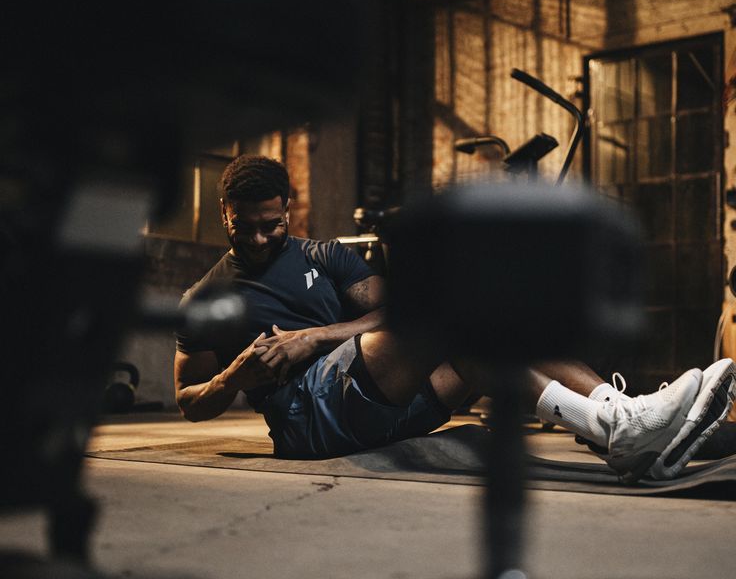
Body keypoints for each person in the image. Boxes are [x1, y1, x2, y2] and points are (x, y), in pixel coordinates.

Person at [174, 155, 736, 484]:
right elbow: (188, 401)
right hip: (306, 421)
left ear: (287, 210)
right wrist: (234, 377)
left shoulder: (324, 257)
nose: (257, 237)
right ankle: (627, 431)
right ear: (225, 214)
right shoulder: (204, 298)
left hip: (376, 398)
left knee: (488, 330)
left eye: (269, 224)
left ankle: (625, 423)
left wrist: (314, 336)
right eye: (242, 226)